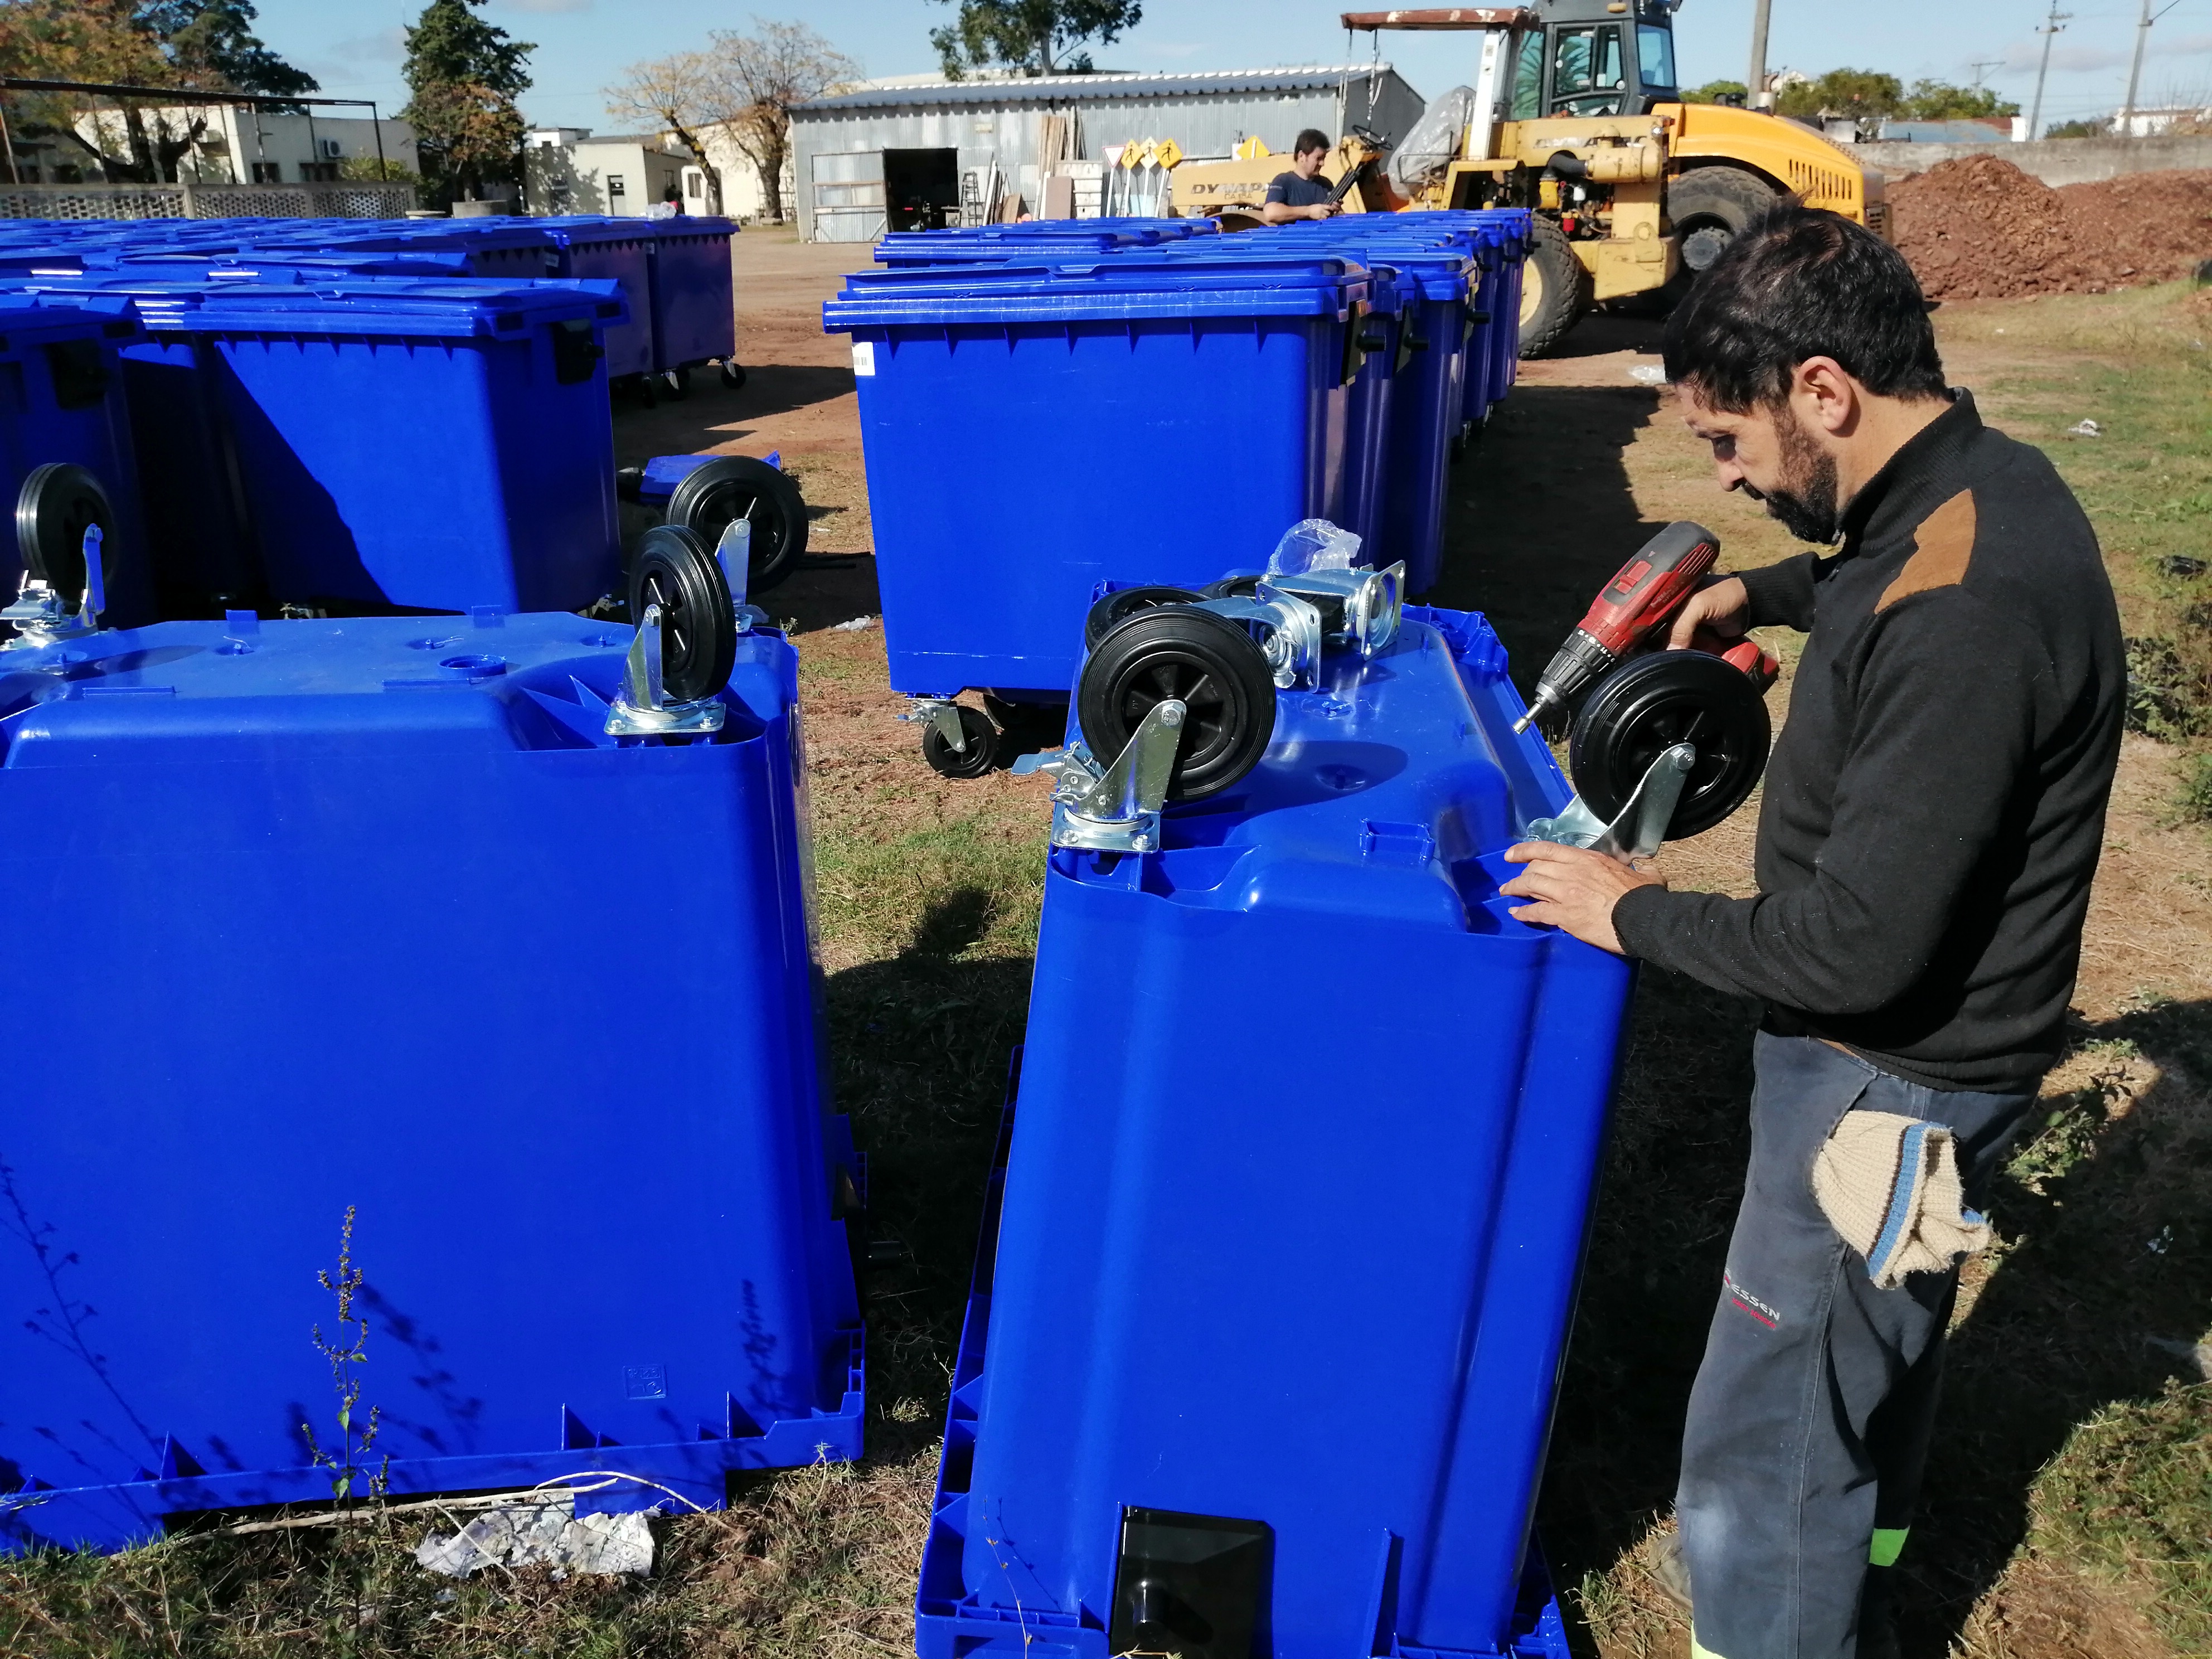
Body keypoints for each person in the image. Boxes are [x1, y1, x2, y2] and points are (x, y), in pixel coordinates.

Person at [1498, 206, 2124, 1659]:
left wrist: (1630, 912)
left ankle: (1779, 1626)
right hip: (1943, 1065)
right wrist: (1757, 590)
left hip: (1886, 1084)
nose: (1725, 474)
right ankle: (1864, 1577)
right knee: (1869, 1360)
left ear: (1823, 391)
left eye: (1730, 442)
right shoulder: (1973, 487)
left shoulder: (1964, 612)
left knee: (1771, 1430)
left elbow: (1854, 950)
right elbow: (1868, 571)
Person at [1260, 129, 1341, 224]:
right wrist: (1309, 211)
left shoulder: (1326, 185)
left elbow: (1338, 216)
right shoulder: (1283, 181)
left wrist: (1337, 211)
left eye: (1324, 159)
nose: (1322, 164)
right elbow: (1271, 213)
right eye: (1318, 159)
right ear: (1302, 156)